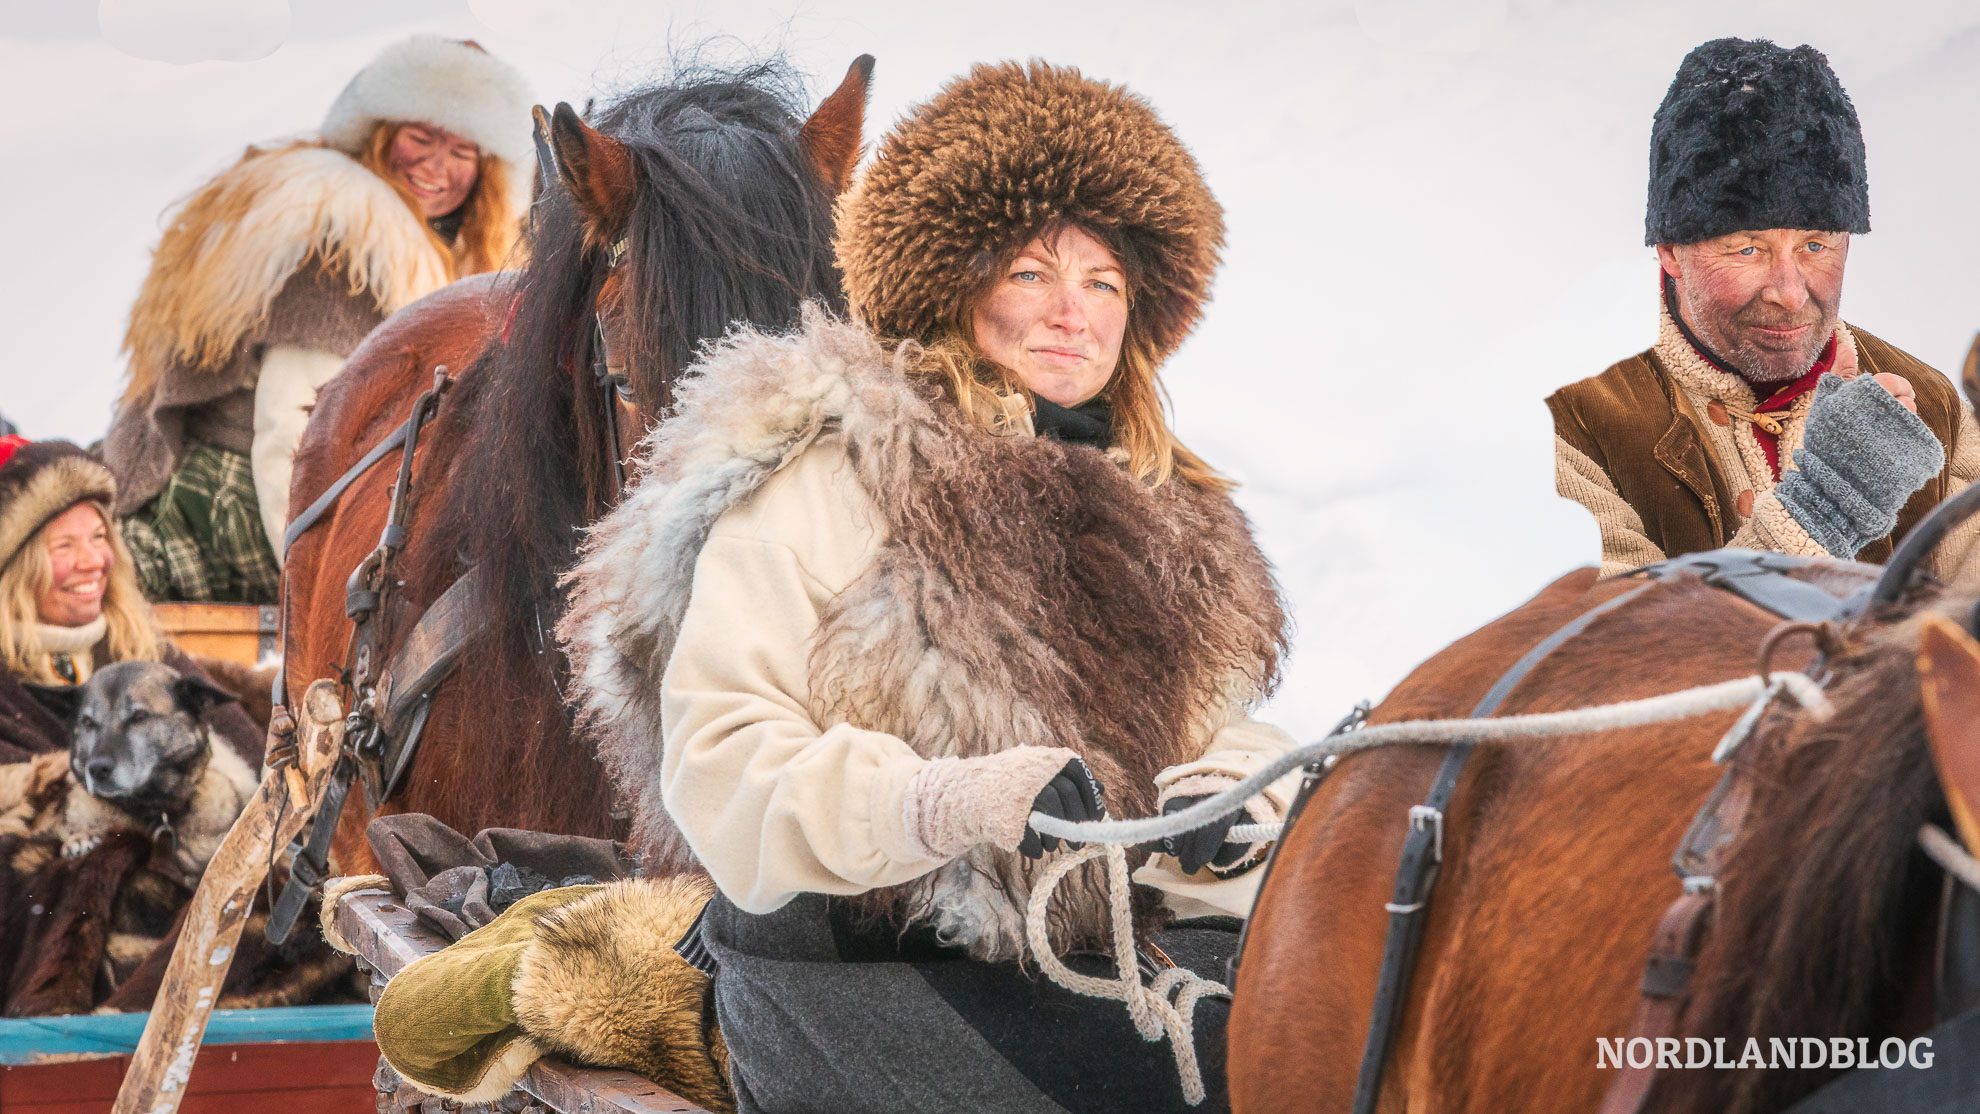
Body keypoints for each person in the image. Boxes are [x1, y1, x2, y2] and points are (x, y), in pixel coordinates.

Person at [559, 62, 1296, 1112]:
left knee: (1337, 1024)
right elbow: (719, 757)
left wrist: (1228, 798)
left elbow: (1226, 727)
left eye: (1103, 282)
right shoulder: (834, 463)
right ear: (957, 279)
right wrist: (939, 803)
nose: (1071, 314)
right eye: (1032, 273)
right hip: (845, 970)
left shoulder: (1171, 515)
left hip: (1083, 955)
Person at [104, 36, 534, 603]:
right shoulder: (344, 248)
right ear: (381, 135)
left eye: (461, 149)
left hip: (344, 497)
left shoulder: (457, 254)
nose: (437, 165)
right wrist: (321, 597)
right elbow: (294, 436)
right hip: (229, 503)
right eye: (421, 138)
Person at [1548, 38, 1980, 579]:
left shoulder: (1936, 407)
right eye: (1748, 248)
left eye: (1815, 245)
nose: (1790, 292)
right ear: (1670, 250)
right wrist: (1822, 508)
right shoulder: (1575, 423)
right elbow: (1595, 648)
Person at [0, 437, 261, 764]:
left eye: (99, 536)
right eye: (64, 545)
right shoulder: (6, 686)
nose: (93, 560)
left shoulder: (137, 643)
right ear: (18, 569)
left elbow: (254, 757)